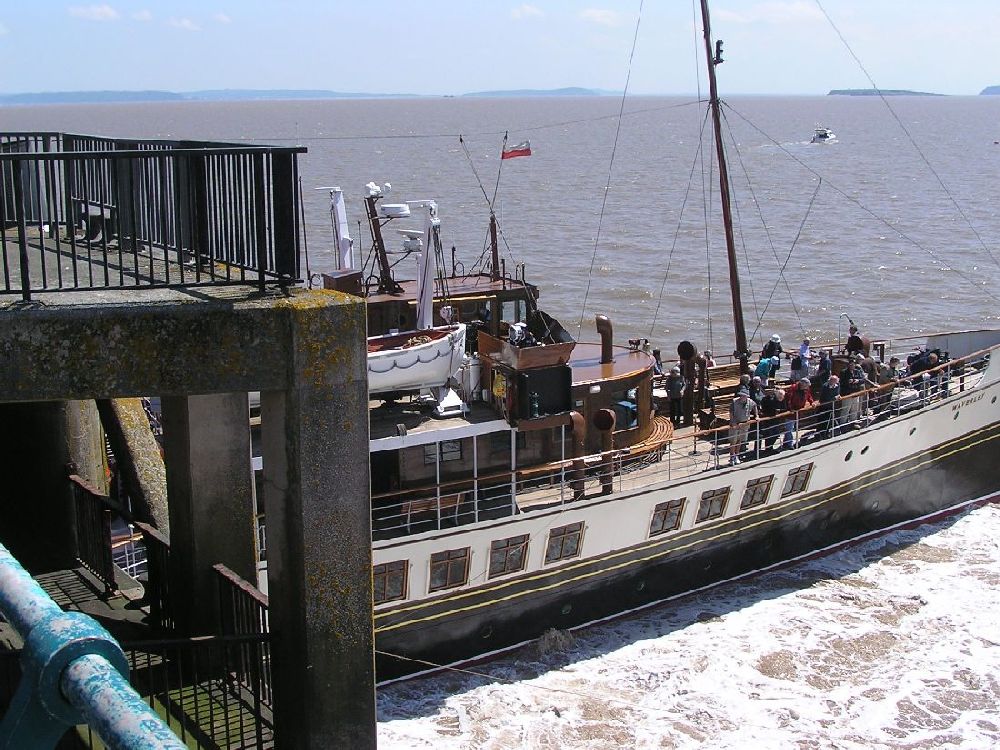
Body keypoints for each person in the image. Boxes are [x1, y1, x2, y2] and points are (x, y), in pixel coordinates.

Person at [782, 377, 816, 449]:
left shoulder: (806, 389)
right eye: (806, 386)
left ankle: (786, 442)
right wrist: (790, 409)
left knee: (791, 427)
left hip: (798, 411)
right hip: (791, 412)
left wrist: (812, 402)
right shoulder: (793, 388)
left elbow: (809, 395)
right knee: (789, 428)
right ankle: (789, 444)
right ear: (802, 384)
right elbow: (788, 399)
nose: (807, 388)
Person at [729, 387, 759, 465]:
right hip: (735, 424)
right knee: (733, 441)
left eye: (744, 395)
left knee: (740, 441)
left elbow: (755, 406)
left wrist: (756, 415)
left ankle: (737, 455)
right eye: (741, 395)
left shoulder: (750, 402)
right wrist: (733, 423)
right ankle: (732, 457)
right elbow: (731, 413)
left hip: (745, 423)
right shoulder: (734, 402)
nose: (742, 397)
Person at [758, 387, 784, 455]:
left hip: (775, 420)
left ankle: (769, 448)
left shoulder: (776, 399)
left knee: (774, 435)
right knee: (770, 435)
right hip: (769, 420)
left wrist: (779, 411)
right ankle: (768, 449)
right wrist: (776, 411)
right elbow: (768, 409)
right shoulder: (771, 400)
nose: (782, 399)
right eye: (781, 397)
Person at [818, 374, 840, 438]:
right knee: (823, 420)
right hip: (824, 406)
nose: (834, 382)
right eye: (832, 380)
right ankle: (821, 434)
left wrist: (838, 396)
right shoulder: (825, 386)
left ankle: (827, 432)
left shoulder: (837, 385)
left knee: (829, 420)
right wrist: (834, 398)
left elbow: (838, 393)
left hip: (831, 405)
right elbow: (824, 397)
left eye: (835, 381)